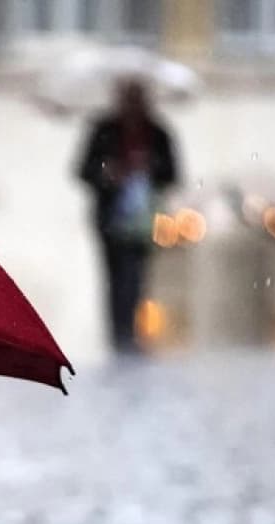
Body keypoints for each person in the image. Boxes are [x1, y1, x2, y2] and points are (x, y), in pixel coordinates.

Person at [77, 77, 179, 354]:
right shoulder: (103, 130)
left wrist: (149, 167)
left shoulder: (157, 132)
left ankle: (132, 331)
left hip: (144, 217)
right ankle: (118, 335)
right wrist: (108, 173)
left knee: (136, 276)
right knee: (113, 277)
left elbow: (172, 173)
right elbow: (83, 169)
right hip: (110, 216)